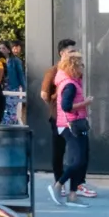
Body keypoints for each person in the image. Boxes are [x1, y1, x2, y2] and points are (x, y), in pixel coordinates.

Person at [46, 49, 91, 206]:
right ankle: (58, 185)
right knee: (78, 160)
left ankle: (72, 194)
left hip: (74, 123)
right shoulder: (69, 85)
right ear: (73, 67)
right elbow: (66, 106)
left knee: (79, 159)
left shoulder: (70, 82)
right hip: (71, 124)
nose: (82, 69)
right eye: (80, 65)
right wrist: (85, 103)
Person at [40, 38, 76, 181]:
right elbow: (44, 94)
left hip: (74, 116)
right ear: (62, 53)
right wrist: (55, 105)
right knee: (59, 149)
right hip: (58, 117)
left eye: (75, 51)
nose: (75, 54)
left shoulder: (75, 70)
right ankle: (58, 180)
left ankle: (77, 182)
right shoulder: (54, 71)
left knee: (77, 150)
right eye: (71, 51)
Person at [2, 41, 28, 125]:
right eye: (0, 48)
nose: (1, 50)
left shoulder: (16, 61)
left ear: (8, 50)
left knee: (14, 111)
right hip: (4, 89)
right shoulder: (1, 60)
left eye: (3, 48)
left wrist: (25, 90)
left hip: (14, 89)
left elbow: (21, 76)